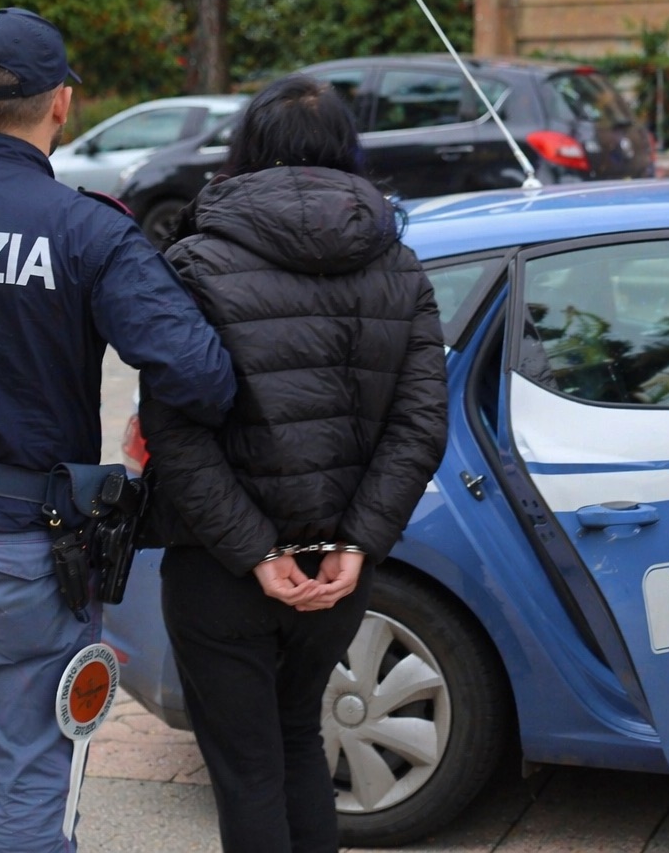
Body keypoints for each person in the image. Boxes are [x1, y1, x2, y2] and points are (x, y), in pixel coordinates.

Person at [0, 7, 236, 852]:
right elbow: (200, 376)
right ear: (62, 104)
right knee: (33, 785)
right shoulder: (87, 229)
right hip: (36, 551)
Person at [139, 73, 448, 853]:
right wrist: (358, 543)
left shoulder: (193, 261)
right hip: (338, 571)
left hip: (219, 569)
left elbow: (173, 435)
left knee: (247, 770)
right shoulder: (399, 265)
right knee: (299, 742)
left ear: (245, 151)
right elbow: (419, 427)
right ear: (347, 151)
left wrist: (254, 554)